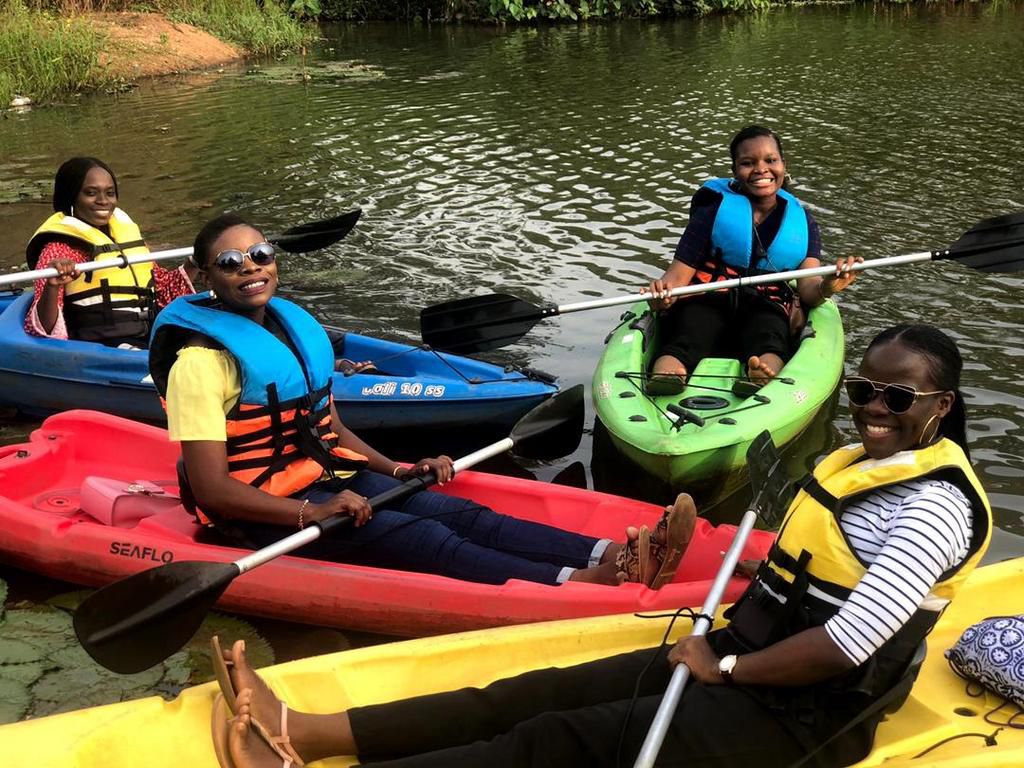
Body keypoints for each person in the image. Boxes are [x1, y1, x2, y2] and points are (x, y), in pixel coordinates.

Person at [208, 323, 992, 768]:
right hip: (742, 657)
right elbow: (813, 578)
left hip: (804, 715)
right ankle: (312, 732)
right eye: (864, 391)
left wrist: (721, 666)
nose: (873, 409)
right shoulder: (860, 465)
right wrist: (743, 593)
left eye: (898, 397)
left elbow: (849, 643)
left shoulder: (932, 509)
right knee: (535, 689)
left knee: (553, 742)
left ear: (941, 405)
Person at [148, 212, 694, 590]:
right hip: (263, 513)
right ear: (202, 277)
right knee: (426, 535)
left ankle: (612, 553)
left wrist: (400, 468)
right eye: (230, 261)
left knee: (460, 512)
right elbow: (216, 491)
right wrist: (309, 511)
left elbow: (329, 426)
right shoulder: (198, 364)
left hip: (326, 480)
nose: (250, 267)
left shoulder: (290, 332)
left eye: (260, 253)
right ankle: (581, 582)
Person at [643, 125, 859, 394]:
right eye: (748, 163)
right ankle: (669, 375)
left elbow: (808, 289)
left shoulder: (804, 222)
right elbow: (677, 278)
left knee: (769, 337)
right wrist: (662, 296)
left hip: (765, 301)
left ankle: (761, 373)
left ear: (783, 165)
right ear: (735, 171)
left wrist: (828, 286)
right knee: (688, 335)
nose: (761, 170)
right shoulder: (712, 212)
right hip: (709, 295)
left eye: (771, 160)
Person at [24, 156, 196, 347]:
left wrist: (195, 263)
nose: (103, 201)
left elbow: (164, 294)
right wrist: (52, 286)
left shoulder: (125, 237)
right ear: (71, 196)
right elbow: (41, 330)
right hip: (104, 346)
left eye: (110, 193)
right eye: (91, 193)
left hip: (151, 335)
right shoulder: (58, 249)